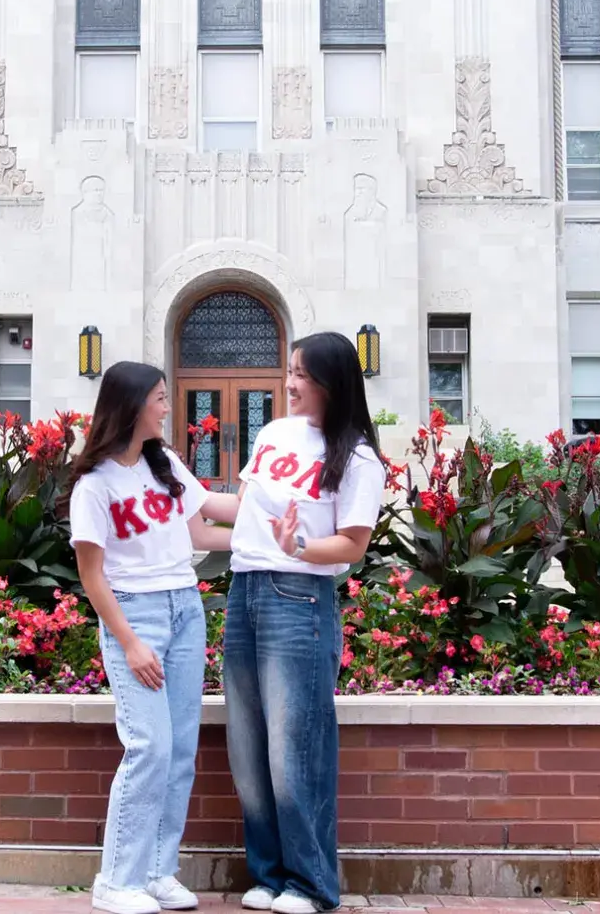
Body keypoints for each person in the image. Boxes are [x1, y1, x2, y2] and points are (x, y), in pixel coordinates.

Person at [223, 332, 387, 914]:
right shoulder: (273, 434)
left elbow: (353, 545)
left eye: (301, 375)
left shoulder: (359, 456)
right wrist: (174, 489)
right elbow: (242, 510)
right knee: (248, 747)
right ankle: (268, 876)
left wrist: (299, 544)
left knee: (296, 746)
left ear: (332, 383)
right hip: (244, 588)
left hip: (300, 596)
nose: (289, 383)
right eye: (289, 371)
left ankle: (312, 885)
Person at [67, 361, 234, 914]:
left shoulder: (166, 467)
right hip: (134, 616)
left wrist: (279, 508)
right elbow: (92, 577)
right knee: (150, 746)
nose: (168, 406)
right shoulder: (94, 485)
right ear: (133, 405)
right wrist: (131, 643)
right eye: (161, 398)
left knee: (180, 749)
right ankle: (115, 880)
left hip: (186, 608)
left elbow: (208, 522)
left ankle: (158, 872)